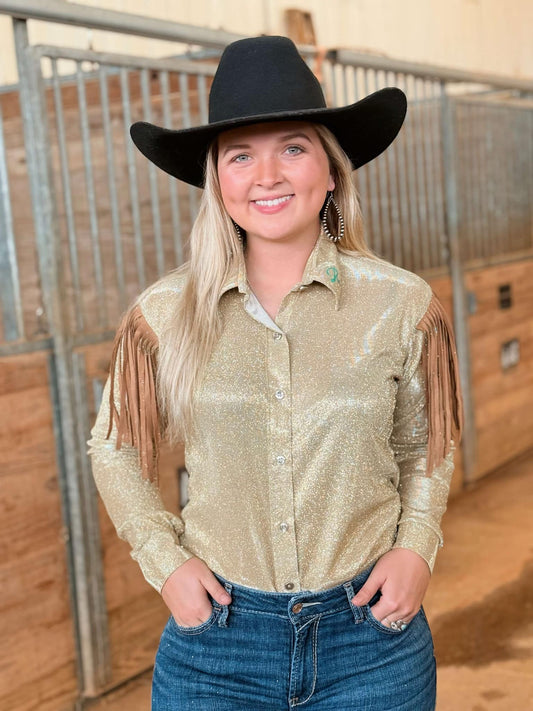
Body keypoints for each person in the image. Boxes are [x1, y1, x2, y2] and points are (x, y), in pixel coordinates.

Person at [87, 35, 464, 710]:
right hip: (217, 644)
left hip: (371, 638)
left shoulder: (401, 303)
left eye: (291, 147)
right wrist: (164, 560)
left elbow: (424, 445)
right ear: (218, 180)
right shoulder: (162, 313)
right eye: (240, 155)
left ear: (329, 171)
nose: (267, 174)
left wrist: (416, 546)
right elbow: (112, 447)